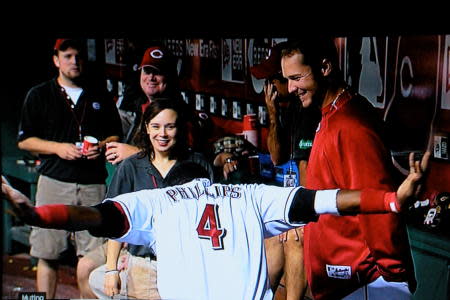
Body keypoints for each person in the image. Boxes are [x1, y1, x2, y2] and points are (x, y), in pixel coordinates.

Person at [1, 151, 429, 300]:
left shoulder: (161, 200)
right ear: (210, 177)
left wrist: (38, 215)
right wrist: (391, 199)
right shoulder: (250, 194)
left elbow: (96, 216)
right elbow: (324, 200)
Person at [280, 37, 420, 299]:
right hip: (345, 285)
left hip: (367, 284)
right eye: (287, 79)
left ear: (324, 68)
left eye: (297, 77)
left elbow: (378, 207)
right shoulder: (331, 116)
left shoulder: (351, 125)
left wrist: (392, 279)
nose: (290, 88)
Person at [16, 38, 123, 299]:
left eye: (78, 56)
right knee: (47, 253)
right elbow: (24, 140)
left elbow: (116, 136)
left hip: (92, 184)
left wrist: (101, 145)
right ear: (56, 60)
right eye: (67, 56)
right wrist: (58, 148)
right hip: (55, 182)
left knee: (92, 257)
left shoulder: (99, 95)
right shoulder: (40, 94)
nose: (74, 61)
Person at [88, 99, 214, 299]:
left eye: (169, 127)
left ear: (179, 128)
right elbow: (115, 222)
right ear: (146, 128)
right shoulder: (130, 167)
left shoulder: (199, 164)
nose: (162, 134)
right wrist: (111, 270)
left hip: (190, 264)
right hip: (145, 265)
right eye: (155, 126)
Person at [250, 42, 321, 300]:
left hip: (313, 208)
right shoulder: (289, 109)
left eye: (272, 80)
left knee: (290, 238)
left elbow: (305, 169)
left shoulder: (310, 109)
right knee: (270, 237)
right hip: (294, 202)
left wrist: (299, 216)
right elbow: (277, 156)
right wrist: (272, 112)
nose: (269, 87)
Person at [105, 44, 212, 165]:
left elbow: (185, 157)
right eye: (147, 71)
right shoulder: (141, 106)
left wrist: (135, 152)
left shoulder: (180, 112)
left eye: (157, 72)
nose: (151, 77)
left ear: (170, 76)